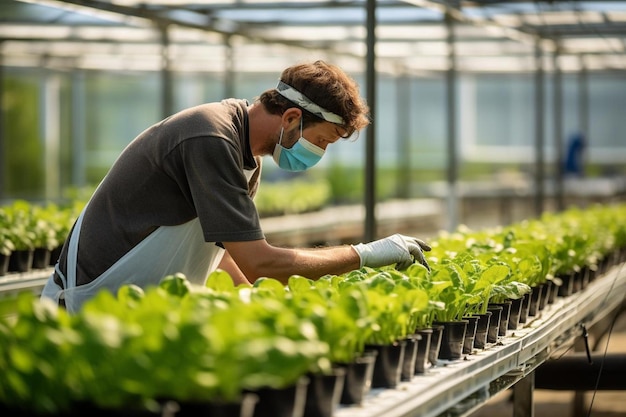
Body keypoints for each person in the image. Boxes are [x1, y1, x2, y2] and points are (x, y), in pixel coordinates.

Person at [41, 60, 431, 312]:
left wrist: (259, 301)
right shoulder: (210, 138)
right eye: (324, 140)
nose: (320, 153)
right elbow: (259, 260)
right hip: (87, 306)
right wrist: (364, 254)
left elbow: (223, 251)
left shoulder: (249, 154)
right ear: (292, 117)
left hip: (134, 306)